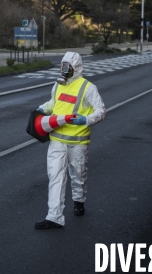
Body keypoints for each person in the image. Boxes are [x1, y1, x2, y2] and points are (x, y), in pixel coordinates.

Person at [34, 51, 106, 229]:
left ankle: (79, 200)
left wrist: (86, 120)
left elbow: (101, 110)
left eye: (68, 67)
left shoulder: (88, 87)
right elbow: (53, 103)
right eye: (63, 66)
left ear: (77, 67)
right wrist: (42, 109)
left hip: (78, 142)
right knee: (55, 176)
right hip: (57, 139)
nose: (65, 70)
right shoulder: (58, 85)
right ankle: (54, 217)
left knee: (78, 175)